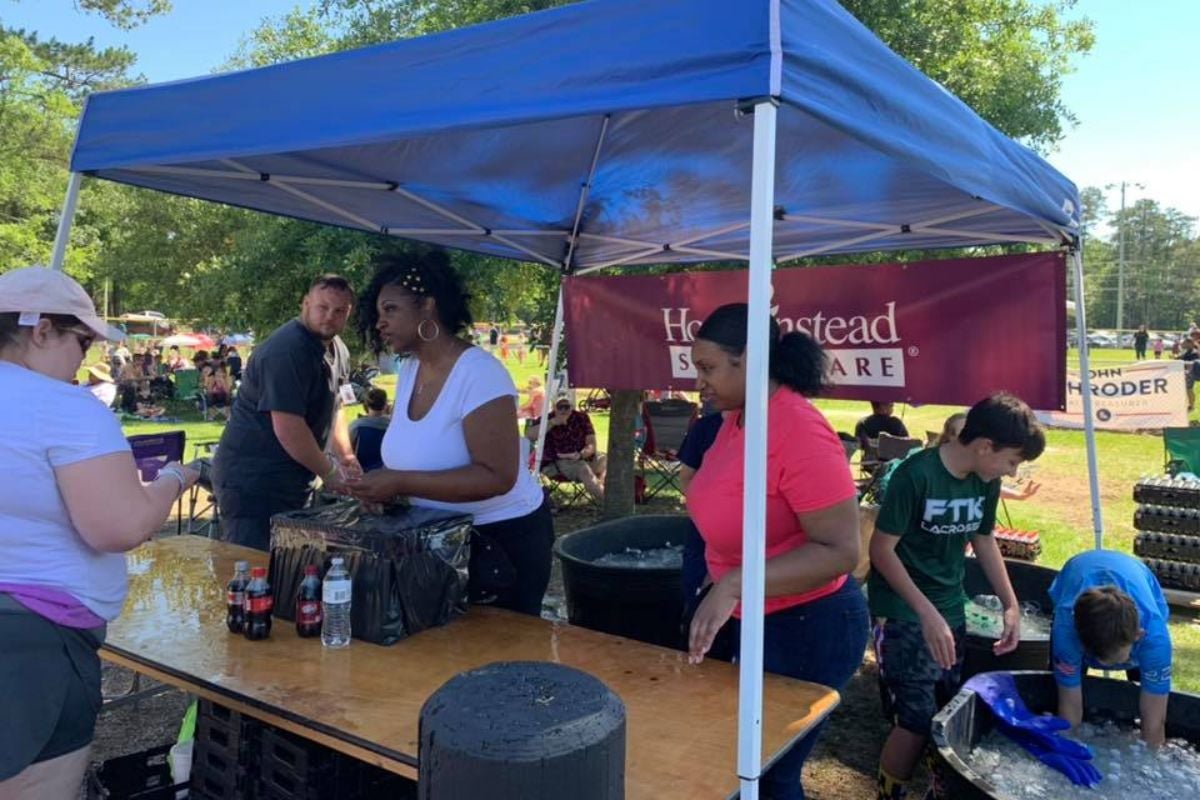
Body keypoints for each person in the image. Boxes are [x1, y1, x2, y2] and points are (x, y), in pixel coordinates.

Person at [0, 266, 199, 798]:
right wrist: (175, 479)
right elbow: (120, 527)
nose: (84, 357)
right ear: (41, 330)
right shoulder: (64, 406)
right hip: (32, 651)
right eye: (81, 339)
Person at [685, 303, 868, 800]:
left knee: (769, 776)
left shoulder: (798, 430)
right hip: (754, 619)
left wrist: (736, 582)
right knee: (732, 763)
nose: (697, 380)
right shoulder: (736, 417)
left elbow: (840, 549)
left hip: (809, 627)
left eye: (708, 368)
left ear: (753, 361)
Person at [346, 249, 553, 617]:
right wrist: (391, 494)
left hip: (500, 546)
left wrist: (400, 482)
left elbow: (497, 476)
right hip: (440, 541)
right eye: (378, 313)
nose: (380, 323)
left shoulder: (479, 373)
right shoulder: (410, 371)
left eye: (390, 310)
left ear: (428, 306)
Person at [869, 393, 1045, 800]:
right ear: (985, 446)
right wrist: (925, 613)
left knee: (944, 708)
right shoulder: (916, 475)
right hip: (902, 608)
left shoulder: (987, 480)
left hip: (950, 605)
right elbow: (881, 550)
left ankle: (937, 790)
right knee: (913, 719)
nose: (1013, 471)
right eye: (1013, 461)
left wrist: (1011, 603)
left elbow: (984, 540)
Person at [211, 275, 360, 551]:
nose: (329, 317)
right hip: (252, 482)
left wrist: (347, 457)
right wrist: (329, 472)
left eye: (339, 311)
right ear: (305, 304)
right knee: (254, 570)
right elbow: (289, 428)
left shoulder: (339, 349)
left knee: (288, 568)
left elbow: (337, 406)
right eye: (322, 307)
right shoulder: (286, 350)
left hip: (292, 480)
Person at [1048, 550, 1172, 747]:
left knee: (1150, 697)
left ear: (1138, 635)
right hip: (1077, 571)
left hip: (1136, 574)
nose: (1108, 667)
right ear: (1081, 642)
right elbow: (1069, 707)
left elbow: (1155, 725)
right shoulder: (1067, 633)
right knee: (1060, 688)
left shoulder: (1155, 641)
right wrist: (1068, 749)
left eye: (1119, 660)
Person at [541, 397, 607, 502]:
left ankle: (608, 495)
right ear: (554, 407)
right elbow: (530, 434)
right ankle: (608, 502)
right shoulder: (547, 419)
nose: (563, 410)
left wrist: (581, 455)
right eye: (560, 407)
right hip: (556, 463)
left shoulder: (581, 418)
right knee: (583, 469)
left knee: (608, 461)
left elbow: (591, 443)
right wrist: (552, 423)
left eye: (566, 407)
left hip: (581, 457)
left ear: (571, 407)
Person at [349, 387, 391, 472]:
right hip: (387, 472)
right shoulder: (392, 426)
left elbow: (346, 451)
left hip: (363, 473)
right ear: (385, 405)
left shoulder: (356, 426)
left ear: (366, 404)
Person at [1178, 338, 1199, 411]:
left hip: (1190, 374)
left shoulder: (1194, 352)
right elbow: (1180, 359)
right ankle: (1188, 404)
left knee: (1189, 389)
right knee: (1186, 390)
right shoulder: (1186, 351)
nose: (1182, 344)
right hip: (1185, 373)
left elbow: (1192, 363)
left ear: (1190, 343)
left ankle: (1192, 406)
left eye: (1184, 343)